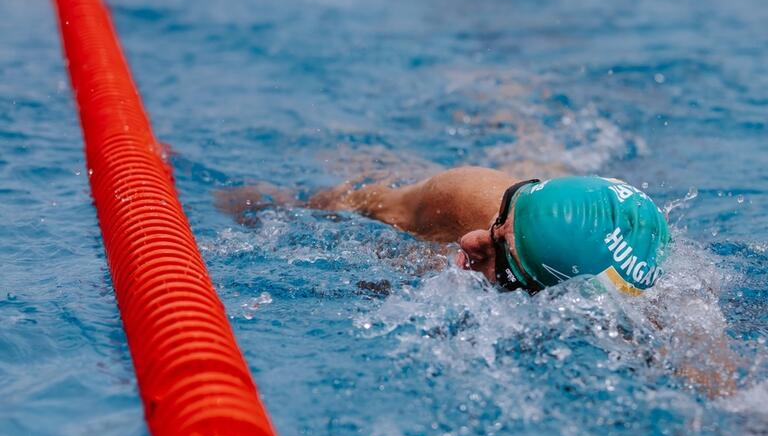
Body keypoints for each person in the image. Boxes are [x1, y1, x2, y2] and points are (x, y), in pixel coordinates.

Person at [217, 166, 669, 295]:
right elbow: (359, 199)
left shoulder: (649, 315)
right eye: (497, 225)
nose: (469, 242)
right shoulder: (466, 198)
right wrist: (275, 205)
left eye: (504, 263)